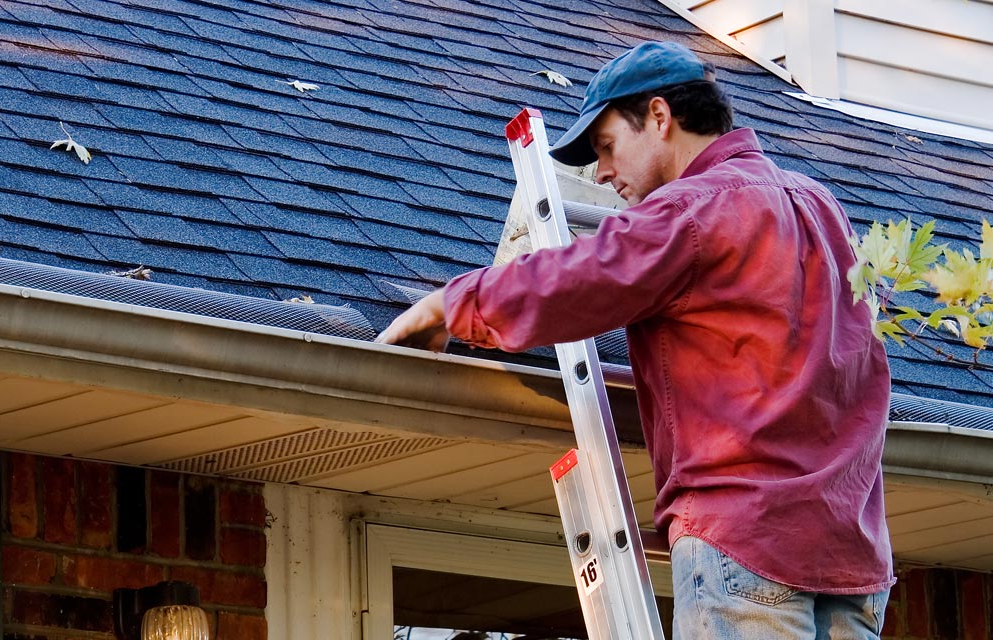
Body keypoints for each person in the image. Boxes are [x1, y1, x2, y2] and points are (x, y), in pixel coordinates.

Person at [376, 42, 895, 640]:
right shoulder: (823, 209)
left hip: (744, 542)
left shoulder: (694, 210)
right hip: (852, 556)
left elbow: (581, 279)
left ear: (658, 117)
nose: (599, 172)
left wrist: (451, 303)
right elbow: (867, 369)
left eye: (606, 146)